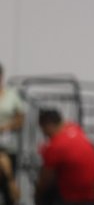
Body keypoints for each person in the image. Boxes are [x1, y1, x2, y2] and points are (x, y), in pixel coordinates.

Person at [35, 108, 94, 205]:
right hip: (93, 195)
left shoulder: (56, 145)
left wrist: (37, 194)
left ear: (48, 125)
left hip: (73, 198)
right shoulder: (76, 129)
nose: (44, 134)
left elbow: (45, 179)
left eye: (43, 130)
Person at [0, 63, 24, 205]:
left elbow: (20, 118)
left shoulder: (11, 94)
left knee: (7, 185)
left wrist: (6, 127)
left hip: (8, 145)